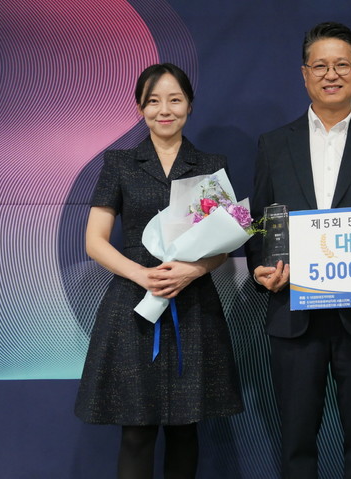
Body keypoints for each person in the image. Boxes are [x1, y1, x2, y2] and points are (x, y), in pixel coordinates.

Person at [246, 22, 351, 479]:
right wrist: (261, 269)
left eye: (341, 65)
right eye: (320, 66)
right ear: (304, 74)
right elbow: (259, 223)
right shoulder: (274, 144)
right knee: (295, 440)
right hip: (293, 311)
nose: (331, 74)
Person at [75, 63, 243, 479]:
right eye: (153, 101)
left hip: (193, 304)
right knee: (136, 430)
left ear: (189, 105)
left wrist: (194, 269)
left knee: (186, 428)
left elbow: (225, 244)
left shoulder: (210, 165)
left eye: (174, 100)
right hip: (134, 304)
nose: (164, 110)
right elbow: (95, 240)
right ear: (140, 108)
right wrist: (141, 275)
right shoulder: (120, 163)